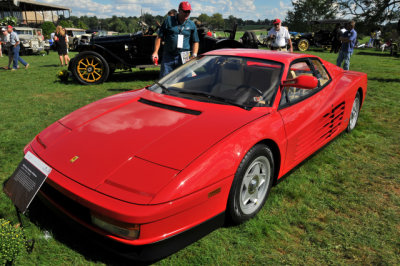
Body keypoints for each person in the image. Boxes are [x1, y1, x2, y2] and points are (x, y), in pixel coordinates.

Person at [152, 1, 199, 78]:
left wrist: (194, 55)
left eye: (189, 11)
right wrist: (155, 52)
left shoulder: (191, 24)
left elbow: (195, 41)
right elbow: (159, 37)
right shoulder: (168, 21)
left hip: (185, 56)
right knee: (165, 79)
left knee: (185, 80)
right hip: (169, 55)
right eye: (185, 11)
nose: (187, 13)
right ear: (179, 10)